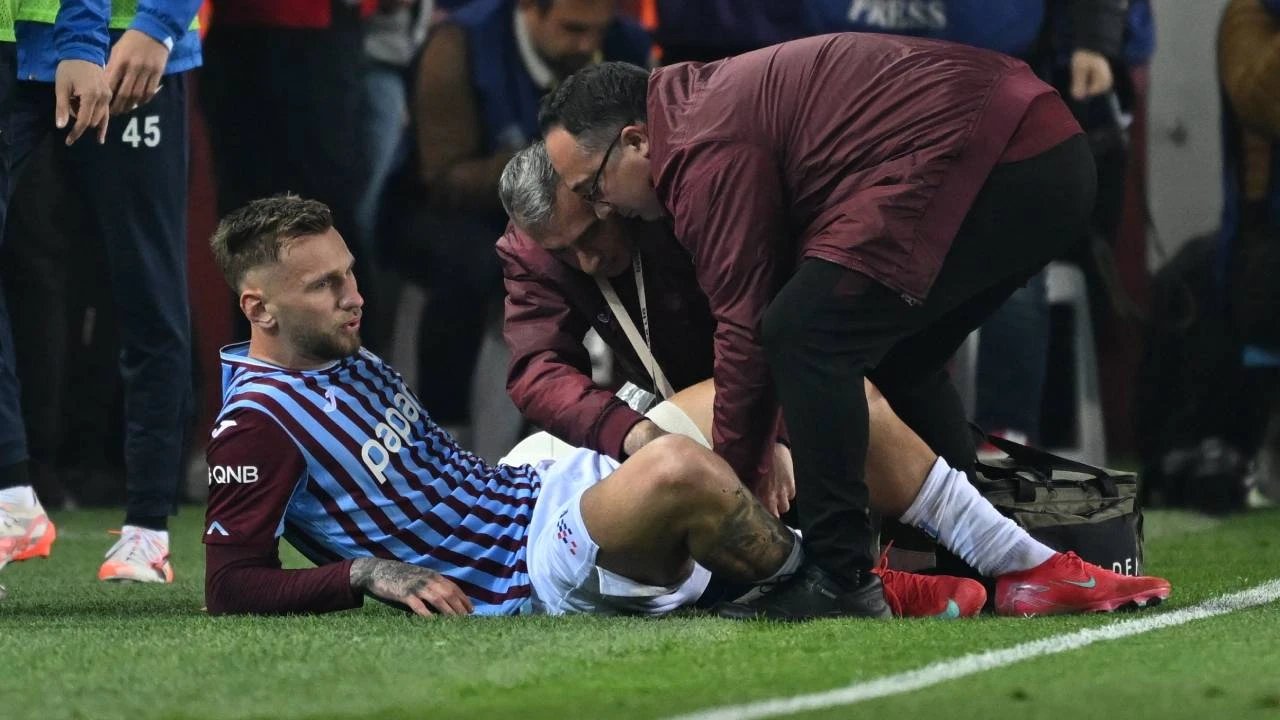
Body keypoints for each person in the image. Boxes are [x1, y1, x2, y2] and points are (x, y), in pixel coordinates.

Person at [537, 35, 1169, 618]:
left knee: (804, 334)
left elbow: (747, 330)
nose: (602, 210)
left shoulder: (701, 146)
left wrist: (735, 485)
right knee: (894, 361)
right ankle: (996, 562)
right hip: (1037, 150)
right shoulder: (704, 107)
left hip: (996, 153)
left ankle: (840, 577)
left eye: (592, 189)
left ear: (637, 141)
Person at [0, 0, 201, 583]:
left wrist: (157, 24)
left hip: (126, 38)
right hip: (14, 39)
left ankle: (148, 527)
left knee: (147, 284)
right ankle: (12, 495)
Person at [405, 0, 650, 446]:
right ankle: (447, 425)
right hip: (461, 210)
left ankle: (634, 399)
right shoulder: (459, 45)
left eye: (597, 30)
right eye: (572, 29)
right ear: (529, 10)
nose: (588, 44)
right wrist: (562, 160)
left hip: (584, 195)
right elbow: (443, 177)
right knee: (473, 268)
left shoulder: (626, 42)